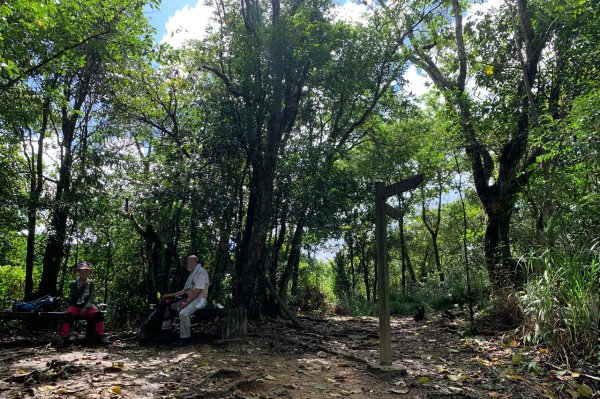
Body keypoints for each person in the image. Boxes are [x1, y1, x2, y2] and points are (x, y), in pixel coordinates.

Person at [162, 255, 209, 347]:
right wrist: (169, 295)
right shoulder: (192, 274)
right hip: (191, 298)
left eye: (191, 261)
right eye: (188, 262)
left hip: (200, 299)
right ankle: (166, 333)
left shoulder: (201, 272)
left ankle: (185, 338)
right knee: (168, 306)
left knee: (183, 313)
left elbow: (197, 291)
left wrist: (186, 302)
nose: (189, 263)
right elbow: (184, 291)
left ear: (196, 262)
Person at [59, 262, 109, 347]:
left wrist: (85, 308)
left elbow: (91, 297)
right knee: (67, 316)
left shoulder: (91, 283)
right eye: (82, 271)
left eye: (86, 271)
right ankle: (63, 338)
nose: (84, 273)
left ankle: (100, 338)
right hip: (75, 306)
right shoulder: (73, 283)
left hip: (88, 307)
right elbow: (74, 297)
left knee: (99, 315)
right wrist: (82, 287)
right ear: (79, 272)